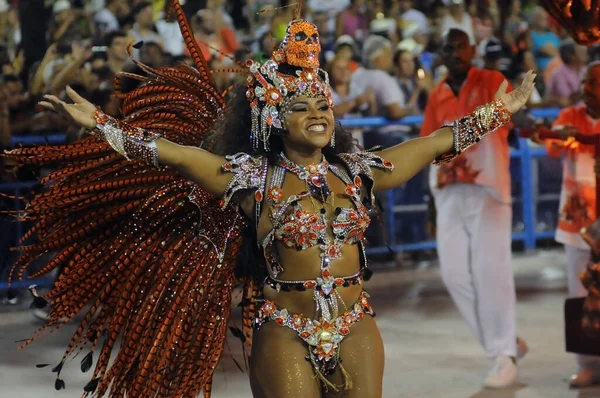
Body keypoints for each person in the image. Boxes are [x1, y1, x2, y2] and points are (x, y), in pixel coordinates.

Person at [5, 2, 535, 397]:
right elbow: (182, 157)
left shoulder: (358, 172)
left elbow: (434, 143)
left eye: (322, 105)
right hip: (284, 326)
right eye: (301, 107)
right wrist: (102, 125)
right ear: (275, 121)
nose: (318, 114)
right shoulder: (251, 178)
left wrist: (500, 110)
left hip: (356, 322)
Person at [420, 28, 529, 389]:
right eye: (448, 47)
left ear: (471, 50)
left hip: (488, 189)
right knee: (454, 276)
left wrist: (523, 107)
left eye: (460, 46)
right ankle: (505, 344)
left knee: (491, 274)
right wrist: (429, 205)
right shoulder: (436, 93)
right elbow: (427, 147)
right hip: (448, 192)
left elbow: (516, 119)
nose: (454, 52)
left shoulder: (490, 79)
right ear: (442, 53)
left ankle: (503, 355)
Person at [540, 61, 600, 388]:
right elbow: (551, 147)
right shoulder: (571, 115)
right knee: (580, 292)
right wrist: (563, 135)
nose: (587, 87)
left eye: (594, 82)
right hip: (578, 224)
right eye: (586, 81)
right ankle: (587, 364)